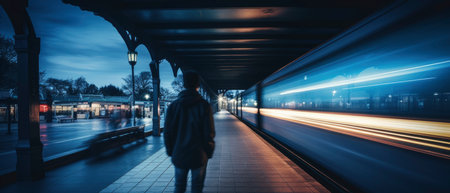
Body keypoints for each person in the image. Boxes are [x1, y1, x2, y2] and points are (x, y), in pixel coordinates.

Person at [164, 71, 215, 193]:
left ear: (184, 85)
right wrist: (208, 152)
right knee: (197, 187)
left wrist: (171, 151)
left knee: (179, 186)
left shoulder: (173, 106)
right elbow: (209, 132)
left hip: (179, 153)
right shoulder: (204, 106)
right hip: (199, 154)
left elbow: (168, 133)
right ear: (198, 85)